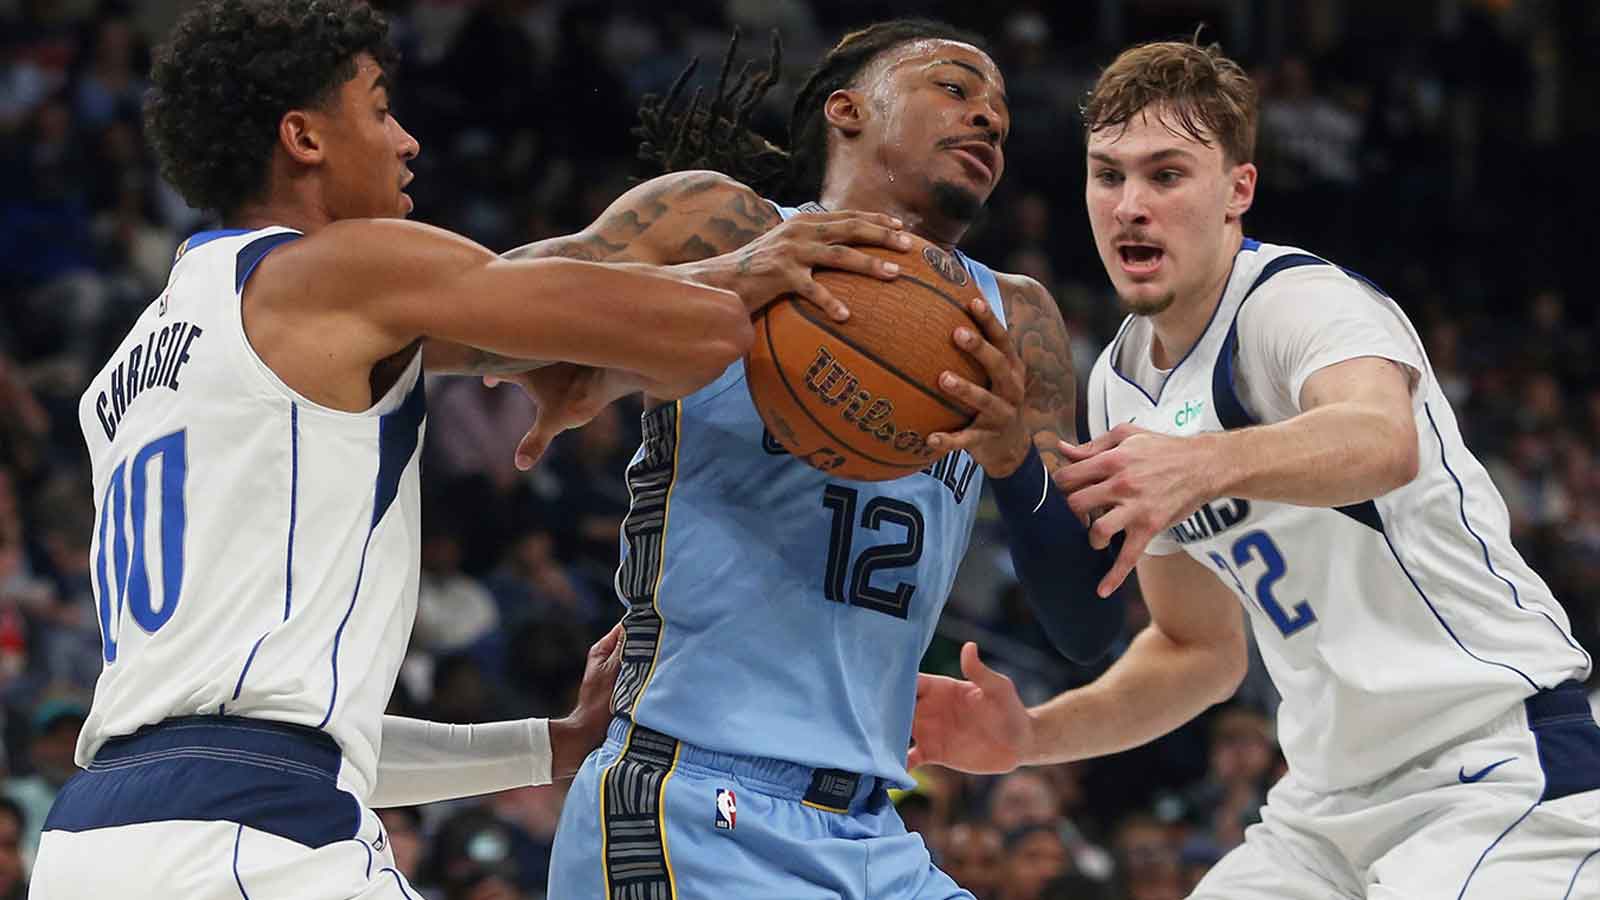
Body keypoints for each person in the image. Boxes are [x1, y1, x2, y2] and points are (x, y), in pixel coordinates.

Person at [32, 2, 898, 897]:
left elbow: (309, 739)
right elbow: (705, 330)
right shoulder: (342, 265)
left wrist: (550, 746)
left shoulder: (136, 366)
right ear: (303, 137)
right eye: (376, 109)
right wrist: (753, 265)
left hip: (94, 840)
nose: (406, 140)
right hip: (249, 843)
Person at [908, 38, 1600, 899]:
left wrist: (1204, 464)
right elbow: (1195, 649)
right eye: (1108, 174)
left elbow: (1384, 440)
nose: (1129, 206)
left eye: (1166, 175)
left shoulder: (1295, 301)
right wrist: (1031, 738)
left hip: (1495, 768)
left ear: (1238, 189)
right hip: (1322, 810)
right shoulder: (1118, 385)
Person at [494, 22, 1125, 899]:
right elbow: (478, 305)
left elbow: (1088, 628)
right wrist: (715, 286)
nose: (987, 117)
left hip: (875, 830)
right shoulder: (723, 226)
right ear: (847, 109)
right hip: (695, 804)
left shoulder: (1016, 319)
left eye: (1003, 117)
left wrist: (1015, 463)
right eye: (953, 88)